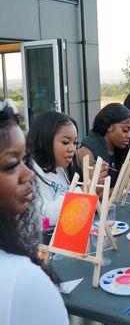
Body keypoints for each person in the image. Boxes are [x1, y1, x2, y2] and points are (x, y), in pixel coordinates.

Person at [0, 103, 69, 325]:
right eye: (11, 165)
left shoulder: (61, 170)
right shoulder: (23, 280)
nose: (28, 173)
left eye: (24, 159)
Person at [26, 111, 82, 226]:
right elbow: (42, 220)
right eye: (66, 142)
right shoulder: (31, 173)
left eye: (75, 142)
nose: (72, 149)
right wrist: (81, 194)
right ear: (45, 140)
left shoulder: (59, 168)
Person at [78, 103, 130, 188]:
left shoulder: (119, 148)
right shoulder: (88, 151)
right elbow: (96, 192)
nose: (129, 136)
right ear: (109, 126)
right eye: (125, 130)